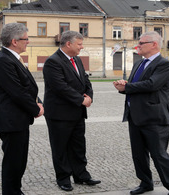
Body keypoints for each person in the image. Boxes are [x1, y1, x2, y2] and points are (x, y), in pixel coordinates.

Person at [113, 31, 169, 195]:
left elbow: (151, 85)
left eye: (141, 43)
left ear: (154, 44)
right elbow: (136, 85)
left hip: (154, 117)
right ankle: (145, 183)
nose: (138, 45)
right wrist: (124, 85)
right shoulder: (138, 63)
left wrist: (127, 87)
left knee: (159, 155)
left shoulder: (163, 64)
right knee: (138, 154)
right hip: (134, 115)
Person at [43, 30, 101, 192]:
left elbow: (85, 80)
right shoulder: (52, 62)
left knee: (78, 146)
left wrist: (89, 96)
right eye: (80, 44)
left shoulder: (77, 60)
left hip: (77, 112)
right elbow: (60, 87)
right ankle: (63, 178)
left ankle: (81, 175)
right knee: (60, 147)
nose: (82, 47)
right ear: (68, 44)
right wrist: (81, 99)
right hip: (59, 114)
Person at [0, 23, 44, 195]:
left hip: (19, 119)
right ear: (14, 41)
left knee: (20, 160)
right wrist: (35, 109)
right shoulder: (3, 60)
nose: (28, 42)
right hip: (10, 120)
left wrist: (38, 102)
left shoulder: (13, 58)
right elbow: (17, 92)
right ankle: (11, 192)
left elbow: (28, 86)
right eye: (26, 39)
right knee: (13, 162)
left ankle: (16, 190)